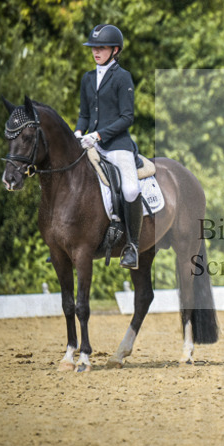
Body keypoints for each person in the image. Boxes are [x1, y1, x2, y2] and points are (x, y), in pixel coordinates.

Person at [75, 23, 142, 268]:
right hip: (91, 144)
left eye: (101, 48)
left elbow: (127, 117)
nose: (96, 52)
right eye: (93, 47)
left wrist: (98, 135)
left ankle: (132, 246)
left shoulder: (122, 77)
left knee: (131, 190)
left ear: (114, 50)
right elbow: (84, 113)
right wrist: (79, 131)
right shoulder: (88, 78)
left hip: (117, 146)